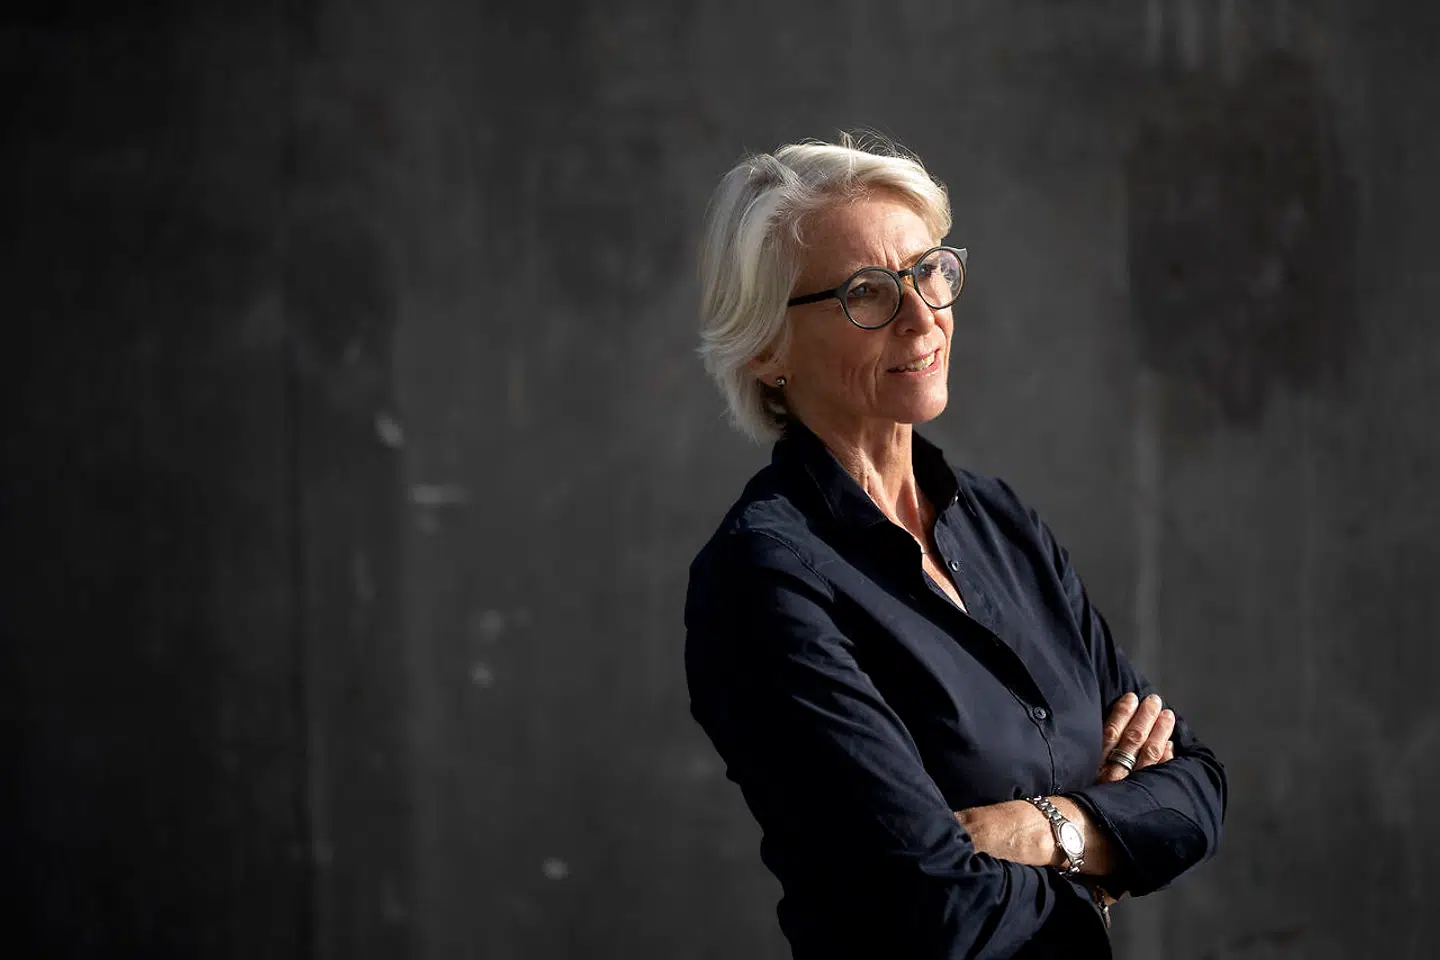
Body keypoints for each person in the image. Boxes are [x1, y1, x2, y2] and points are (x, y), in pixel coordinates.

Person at [684, 137, 1227, 959]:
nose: (923, 316)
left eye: (929, 271)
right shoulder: (762, 579)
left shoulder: (1001, 522)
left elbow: (1196, 787)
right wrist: (1106, 853)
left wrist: (1047, 828)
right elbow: (931, 908)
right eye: (868, 292)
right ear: (765, 348)